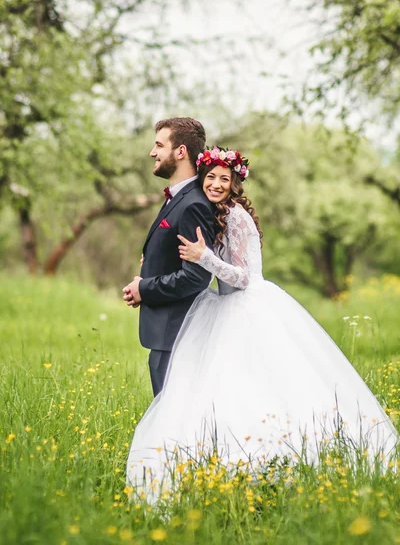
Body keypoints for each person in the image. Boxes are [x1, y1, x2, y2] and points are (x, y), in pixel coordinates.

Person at [126, 146, 398, 501]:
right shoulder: (212, 212)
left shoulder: (237, 216)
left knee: (260, 384)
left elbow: (244, 277)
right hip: (221, 305)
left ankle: (272, 460)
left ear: (235, 183)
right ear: (202, 179)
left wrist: (203, 257)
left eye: (225, 179)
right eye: (210, 177)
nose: (217, 184)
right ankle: (216, 460)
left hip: (245, 305)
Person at [122, 118, 215, 397]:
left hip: (175, 334)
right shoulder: (179, 197)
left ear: (181, 152)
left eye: (159, 145)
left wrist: (145, 289)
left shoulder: (194, 204)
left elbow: (196, 277)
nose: (153, 152)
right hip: (166, 333)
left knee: (173, 422)